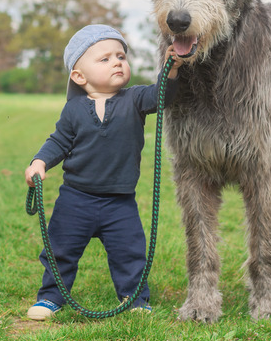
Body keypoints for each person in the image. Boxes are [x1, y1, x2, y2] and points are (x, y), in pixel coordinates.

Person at [25, 24, 183, 321]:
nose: (117, 62)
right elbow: (58, 141)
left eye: (121, 56)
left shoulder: (135, 100)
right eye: (105, 59)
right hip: (75, 199)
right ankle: (51, 297)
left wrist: (170, 69)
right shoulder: (73, 110)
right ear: (79, 76)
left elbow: (161, 96)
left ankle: (134, 299)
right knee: (60, 250)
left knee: (130, 254)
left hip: (119, 202)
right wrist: (39, 162)